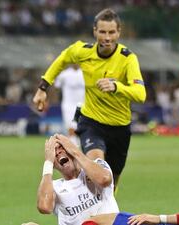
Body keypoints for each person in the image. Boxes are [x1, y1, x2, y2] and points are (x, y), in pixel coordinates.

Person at [32, 8, 146, 189]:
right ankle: (85, 211)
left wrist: (116, 86)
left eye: (111, 32)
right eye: (102, 32)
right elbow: (62, 59)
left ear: (118, 32)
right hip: (92, 123)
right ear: (95, 31)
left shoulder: (128, 59)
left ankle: (105, 212)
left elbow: (140, 94)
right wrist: (42, 88)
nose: (107, 37)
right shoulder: (83, 52)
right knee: (98, 171)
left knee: (112, 180)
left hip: (120, 127)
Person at [35, 134, 119, 225]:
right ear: (54, 164)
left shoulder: (97, 167)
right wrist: (48, 162)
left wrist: (75, 151)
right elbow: (44, 207)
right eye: (53, 152)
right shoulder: (55, 187)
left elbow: (104, 179)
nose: (58, 152)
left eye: (61, 147)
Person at [54, 64, 85, 144]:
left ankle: (77, 148)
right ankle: (73, 149)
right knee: (71, 127)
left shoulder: (85, 73)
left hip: (82, 105)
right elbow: (56, 87)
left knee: (80, 128)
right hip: (68, 105)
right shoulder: (64, 74)